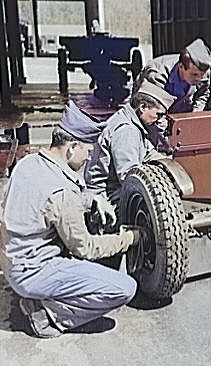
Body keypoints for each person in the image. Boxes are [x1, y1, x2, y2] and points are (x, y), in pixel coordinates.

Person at [0, 108, 144, 338]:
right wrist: (127, 239)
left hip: (11, 261)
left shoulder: (29, 163)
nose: (89, 157)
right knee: (124, 289)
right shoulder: (63, 192)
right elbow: (85, 248)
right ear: (71, 147)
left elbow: (45, 203)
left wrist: (91, 199)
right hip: (33, 271)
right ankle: (46, 314)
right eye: (88, 150)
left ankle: (39, 296)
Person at [85, 80, 175, 205]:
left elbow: (149, 153)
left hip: (115, 187)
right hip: (107, 196)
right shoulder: (127, 131)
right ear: (143, 107)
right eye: (158, 114)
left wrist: (171, 165)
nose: (160, 120)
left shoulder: (132, 120)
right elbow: (129, 177)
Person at [133, 38, 211, 152]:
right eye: (194, 74)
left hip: (178, 112)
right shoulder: (158, 73)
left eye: (201, 75)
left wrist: (193, 118)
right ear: (181, 66)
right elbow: (153, 115)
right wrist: (170, 144)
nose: (199, 79)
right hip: (150, 118)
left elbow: (202, 95)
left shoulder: (202, 70)